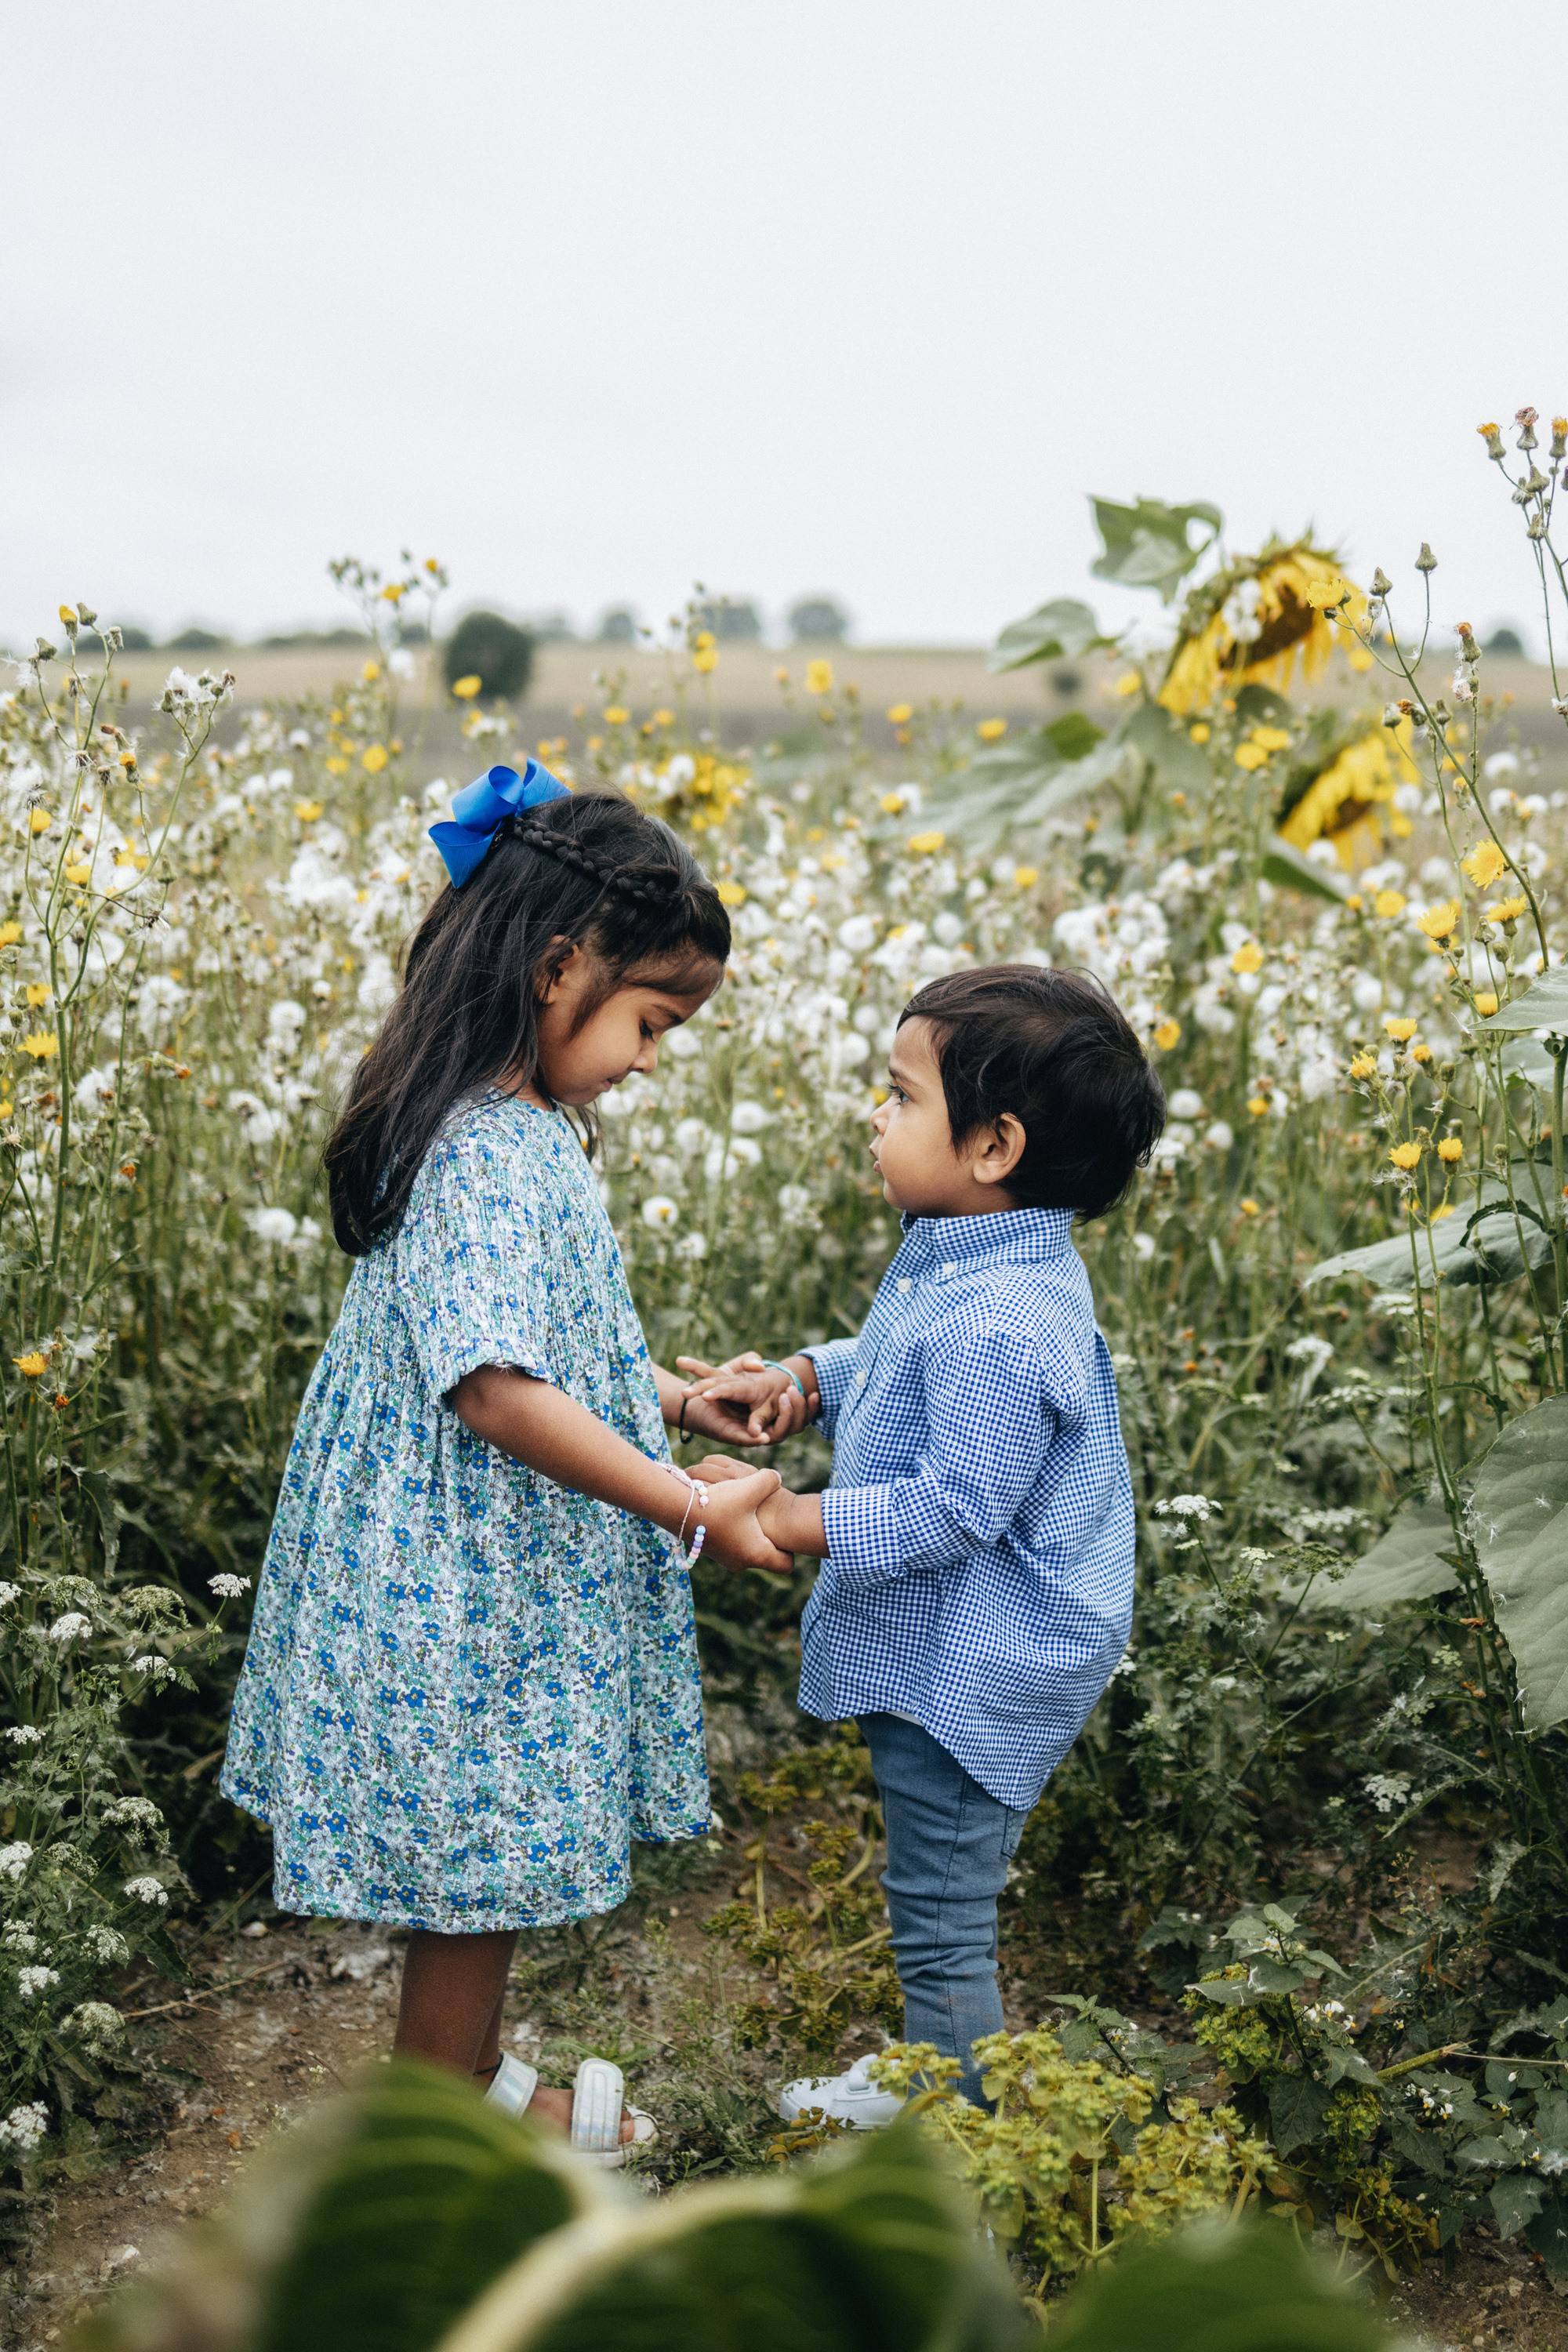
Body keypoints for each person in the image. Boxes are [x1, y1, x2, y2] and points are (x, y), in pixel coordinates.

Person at [221, 763, 786, 2161]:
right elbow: (493, 1389)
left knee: (495, 1852)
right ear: (558, 968)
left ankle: (467, 2076)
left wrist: (669, 1400)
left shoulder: (510, 1125)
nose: (652, 1058)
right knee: (481, 1860)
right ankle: (430, 2151)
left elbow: (543, 1345)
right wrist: (688, 1505)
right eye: (651, 1021)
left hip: (486, 1561)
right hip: (463, 1579)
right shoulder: (486, 1150)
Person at [679, 964, 1165, 2117]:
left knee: (942, 1921)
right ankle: (934, 2085)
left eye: (901, 1095)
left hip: (981, 1665)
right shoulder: (976, 1259)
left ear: (994, 1148)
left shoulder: (1001, 1320)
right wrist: (807, 1379)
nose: (877, 1113)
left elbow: (952, 1507)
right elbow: (897, 1358)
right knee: (934, 1893)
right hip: (960, 1642)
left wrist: (789, 1517)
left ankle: (957, 2135)